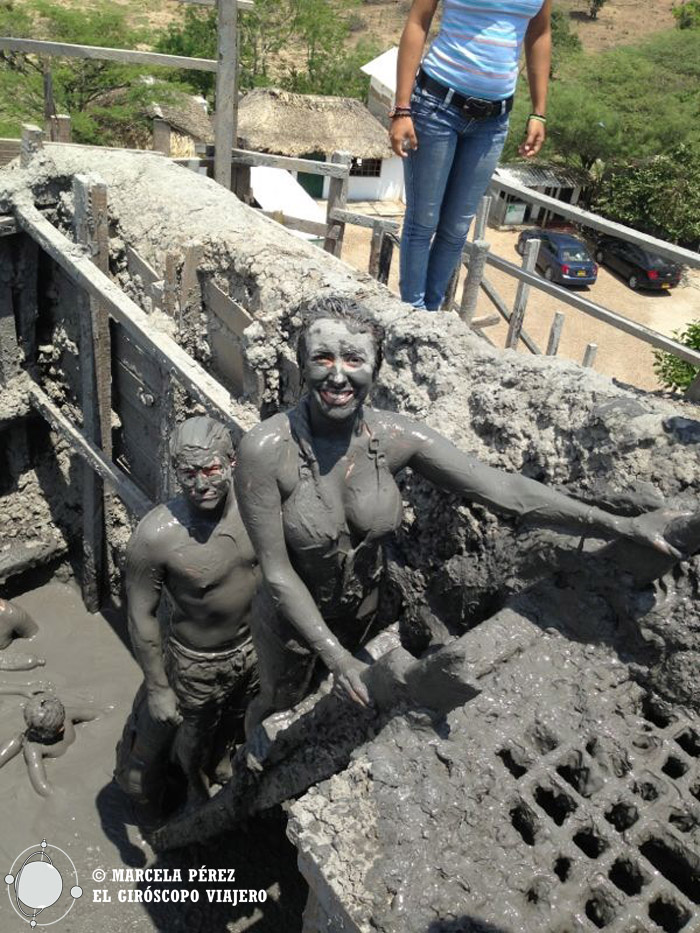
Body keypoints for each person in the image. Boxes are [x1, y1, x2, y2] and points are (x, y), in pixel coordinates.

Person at [234, 297, 679, 730]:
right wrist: (335, 656)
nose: (337, 375)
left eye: (353, 359)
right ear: (301, 363)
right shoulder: (266, 451)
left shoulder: (393, 437)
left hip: (360, 608)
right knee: (280, 698)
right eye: (322, 358)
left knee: (338, 695)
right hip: (289, 619)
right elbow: (276, 571)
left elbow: (504, 490)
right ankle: (252, 736)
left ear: (376, 367)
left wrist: (616, 523)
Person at [116, 416, 260, 811]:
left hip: (253, 644)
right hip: (197, 661)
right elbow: (141, 614)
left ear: (231, 461)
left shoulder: (255, 507)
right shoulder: (157, 536)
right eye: (188, 473)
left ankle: (220, 762)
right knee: (193, 730)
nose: (201, 484)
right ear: (175, 472)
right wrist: (160, 689)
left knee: (236, 714)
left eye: (211, 469)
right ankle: (193, 784)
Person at [391, 0, 552, 309]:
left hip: (493, 122)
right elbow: (418, 21)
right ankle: (412, 313)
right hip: (437, 106)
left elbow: (539, 33)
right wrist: (402, 108)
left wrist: (539, 112)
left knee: (457, 227)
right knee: (423, 220)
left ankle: (432, 314)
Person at [0, 691, 98, 797]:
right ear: (61, 728)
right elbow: (96, 714)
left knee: (16, 739)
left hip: (47, 749)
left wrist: (54, 794)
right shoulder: (68, 715)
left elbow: (40, 784)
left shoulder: (34, 747)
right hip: (72, 753)